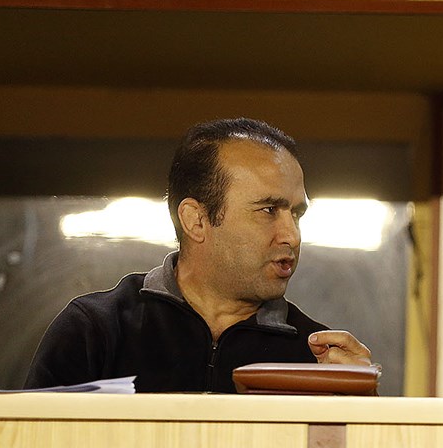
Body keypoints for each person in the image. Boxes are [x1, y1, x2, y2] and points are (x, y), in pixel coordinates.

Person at [25, 118, 374, 392]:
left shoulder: (318, 359)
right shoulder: (95, 331)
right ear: (196, 220)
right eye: (269, 210)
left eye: (296, 214)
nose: (292, 236)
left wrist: (365, 416)